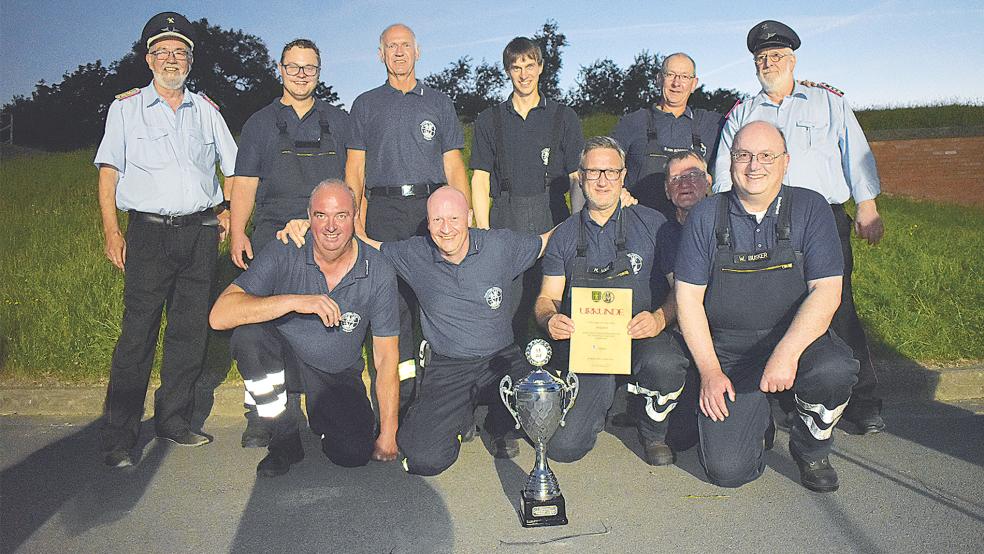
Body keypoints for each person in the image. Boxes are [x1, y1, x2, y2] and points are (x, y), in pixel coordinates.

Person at [277, 186, 554, 476]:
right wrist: (311, 226)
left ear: (469, 217)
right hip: (450, 366)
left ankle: (500, 423)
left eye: (454, 219)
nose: (446, 229)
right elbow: (363, 244)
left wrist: (587, 215)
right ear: (428, 222)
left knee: (552, 424)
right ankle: (459, 418)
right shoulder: (414, 253)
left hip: (502, 359)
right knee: (423, 458)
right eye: (437, 220)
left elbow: (547, 241)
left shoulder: (499, 245)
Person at [713, 20, 886, 434]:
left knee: (838, 306)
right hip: (764, 223)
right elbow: (724, 170)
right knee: (775, 310)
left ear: (792, 60)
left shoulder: (828, 102)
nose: (768, 63)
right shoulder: (744, 113)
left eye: (775, 56)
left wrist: (867, 205)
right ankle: (789, 400)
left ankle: (862, 401)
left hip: (823, 218)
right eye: (761, 58)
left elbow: (855, 152)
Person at [677, 121, 859, 492]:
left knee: (834, 371)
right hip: (730, 351)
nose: (753, 165)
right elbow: (688, 300)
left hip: (799, 341)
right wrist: (710, 371)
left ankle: (811, 447)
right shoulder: (705, 216)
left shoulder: (811, 207)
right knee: (727, 472)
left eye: (766, 156)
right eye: (743, 155)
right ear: (730, 162)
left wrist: (787, 353)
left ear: (785, 161)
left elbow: (826, 291)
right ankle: (758, 420)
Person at [94, 11, 238, 468]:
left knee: (188, 332)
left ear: (190, 61)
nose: (171, 59)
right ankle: (120, 434)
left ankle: (173, 421)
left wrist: (229, 215)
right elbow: (108, 174)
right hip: (149, 235)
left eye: (180, 52)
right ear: (148, 58)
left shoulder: (208, 111)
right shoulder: (125, 108)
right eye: (163, 52)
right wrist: (112, 231)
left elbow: (232, 169)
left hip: (200, 234)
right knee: (137, 334)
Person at [210, 181, 400, 477]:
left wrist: (388, 433)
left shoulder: (377, 269)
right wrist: (296, 301)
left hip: (336, 373)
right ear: (308, 217)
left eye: (341, 215)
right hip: (286, 361)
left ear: (355, 217)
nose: (331, 226)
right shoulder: (286, 250)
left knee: (352, 454)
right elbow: (219, 316)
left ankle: (323, 419)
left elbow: (386, 358)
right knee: (248, 337)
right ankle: (283, 437)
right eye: (321, 215)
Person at [534, 136, 691, 466]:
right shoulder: (564, 234)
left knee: (664, 366)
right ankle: (607, 399)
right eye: (593, 172)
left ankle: (652, 432)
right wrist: (550, 319)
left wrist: (660, 319)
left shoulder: (653, 224)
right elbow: (546, 297)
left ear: (623, 176)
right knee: (564, 449)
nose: (602, 180)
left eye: (610, 171)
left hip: (642, 336)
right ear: (581, 176)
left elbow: (681, 292)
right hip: (592, 350)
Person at [229, 38, 351, 448]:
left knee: (320, 320)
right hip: (270, 233)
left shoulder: (338, 120)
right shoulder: (259, 123)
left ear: (319, 72)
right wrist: (237, 230)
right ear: (280, 70)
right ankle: (264, 415)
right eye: (293, 67)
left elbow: (353, 185)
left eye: (309, 68)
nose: (301, 74)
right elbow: (244, 182)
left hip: (326, 233)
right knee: (258, 327)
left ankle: (325, 403)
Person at [346, 23, 469, 406]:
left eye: (405, 46)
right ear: (380, 54)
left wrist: (465, 217)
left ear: (418, 52)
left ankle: (440, 395)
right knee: (391, 303)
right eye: (391, 47)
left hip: (430, 212)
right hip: (382, 211)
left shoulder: (438, 101)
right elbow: (355, 171)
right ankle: (399, 396)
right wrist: (354, 222)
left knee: (436, 299)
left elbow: (454, 166)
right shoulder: (365, 104)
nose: (398, 52)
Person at [470, 36, 585, 341]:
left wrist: (577, 226)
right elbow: (480, 179)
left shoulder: (564, 116)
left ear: (541, 68)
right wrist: (483, 234)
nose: (524, 74)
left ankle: (557, 379)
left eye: (529, 65)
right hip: (507, 218)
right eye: (516, 67)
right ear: (507, 71)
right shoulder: (489, 120)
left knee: (553, 304)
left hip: (553, 214)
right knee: (509, 310)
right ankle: (508, 375)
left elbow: (577, 179)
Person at [611, 53, 723, 218]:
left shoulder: (712, 124)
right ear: (658, 79)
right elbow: (604, 164)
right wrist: (617, 193)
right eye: (670, 75)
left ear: (694, 84)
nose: (677, 83)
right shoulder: (632, 122)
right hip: (639, 228)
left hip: (694, 229)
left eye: (684, 76)